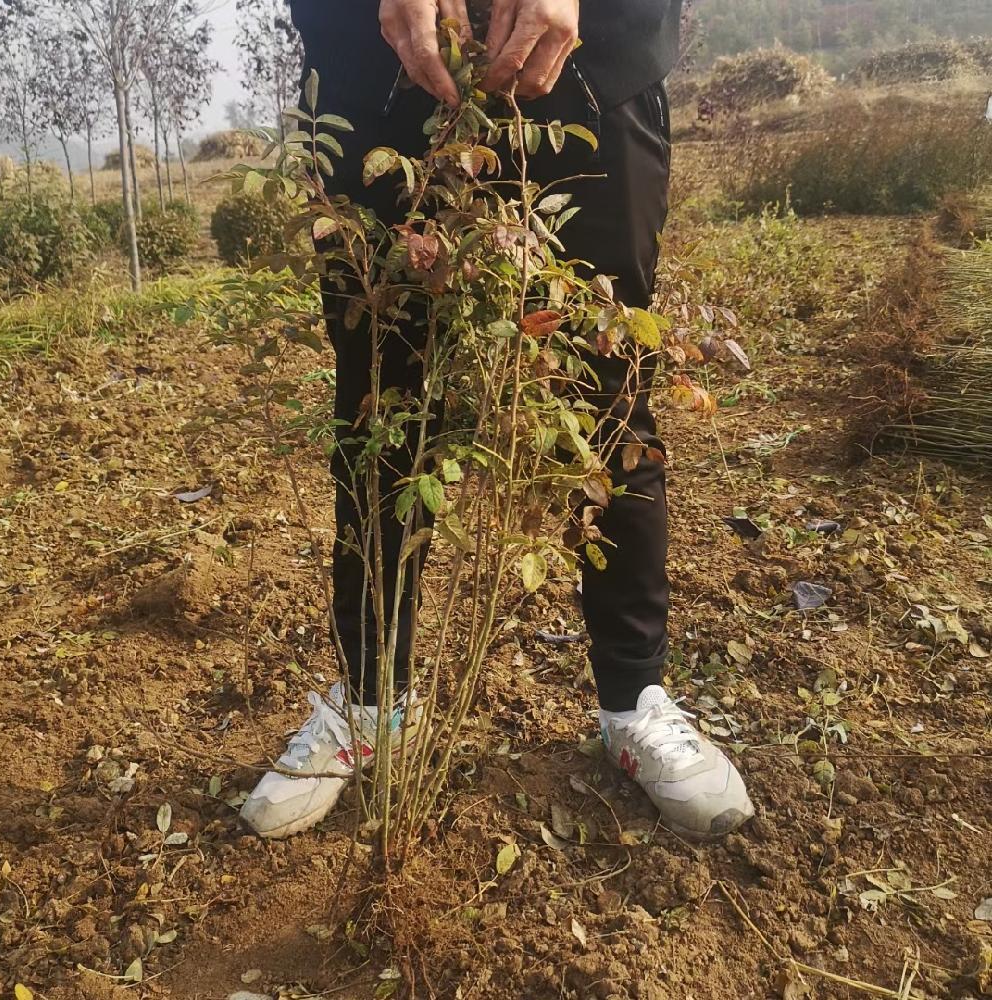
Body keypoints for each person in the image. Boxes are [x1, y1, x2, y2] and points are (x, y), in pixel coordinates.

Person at [241, 0, 754, 841]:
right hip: (379, 67)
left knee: (608, 391)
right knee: (381, 407)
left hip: (591, 61)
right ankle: (373, 703)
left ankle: (634, 701)